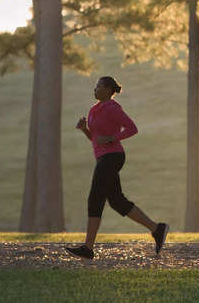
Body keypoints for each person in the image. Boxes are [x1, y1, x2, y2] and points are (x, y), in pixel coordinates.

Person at [65, 76, 169, 260]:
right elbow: (95, 139)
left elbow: (132, 128)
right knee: (116, 201)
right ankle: (157, 229)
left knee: (95, 197)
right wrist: (84, 129)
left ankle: (88, 248)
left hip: (113, 156)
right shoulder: (93, 110)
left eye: (97, 87)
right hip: (102, 158)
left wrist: (112, 138)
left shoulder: (113, 108)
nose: (94, 90)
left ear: (107, 89)